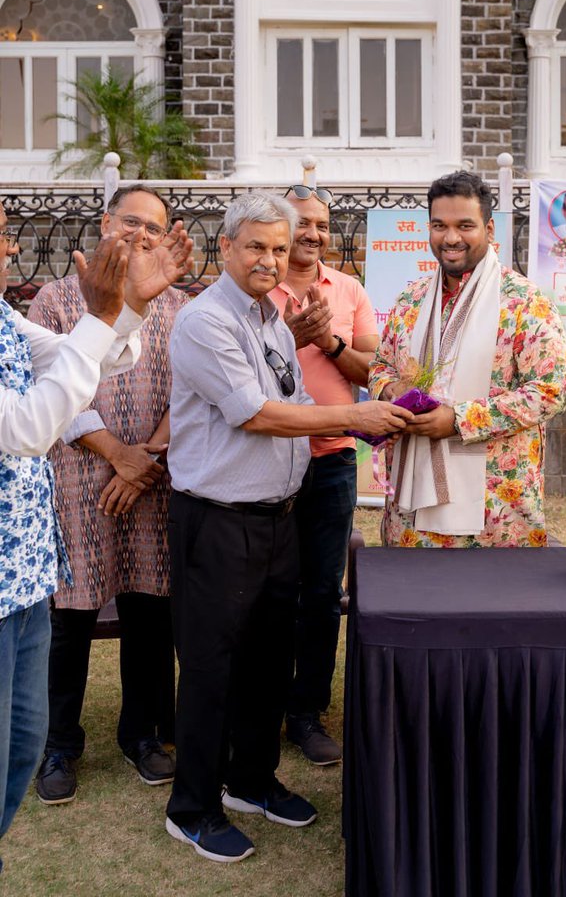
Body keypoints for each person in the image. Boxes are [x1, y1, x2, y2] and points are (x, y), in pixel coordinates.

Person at [165, 191, 413, 864]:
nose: (270, 259)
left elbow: (297, 399)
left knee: (270, 660)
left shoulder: (274, 320)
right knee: (213, 666)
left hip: (277, 515)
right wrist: (354, 419)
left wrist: (375, 408)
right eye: (256, 247)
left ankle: (251, 779)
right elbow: (255, 413)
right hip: (216, 520)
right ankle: (192, 807)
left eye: (279, 247)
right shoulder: (204, 321)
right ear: (226, 248)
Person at [0, 200, 192, 859]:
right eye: (127, 219)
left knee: (148, 610)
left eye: (152, 225)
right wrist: (117, 454)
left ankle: (140, 734)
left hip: (127, 495)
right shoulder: (56, 297)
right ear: (104, 222)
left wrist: (146, 463)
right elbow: (44, 408)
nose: (12, 250)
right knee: (69, 622)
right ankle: (62, 745)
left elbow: (134, 367)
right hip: (70, 487)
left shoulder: (172, 302)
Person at [369, 170, 566, 548]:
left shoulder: (525, 302)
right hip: (413, 509)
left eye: (465, 225)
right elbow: (380, 365)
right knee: (413, 602)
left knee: (492, 604)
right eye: (439, 225)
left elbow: (550, 391)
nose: (451, 238)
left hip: (495, 509)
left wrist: (458, 420)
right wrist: (391, 389)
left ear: (489, 230)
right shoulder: (411, 301)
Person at [270, 184, 379, 766]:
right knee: (270, 588)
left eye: (321, 224)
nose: (312, 233)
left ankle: (307, 712)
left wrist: (327, 339)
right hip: (267, 459)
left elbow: (373, 369)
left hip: (334, 460)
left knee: (319, 592)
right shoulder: (258, 283)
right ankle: (262, 702)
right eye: (301, 223)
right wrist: (289, 335)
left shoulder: (349, 289)